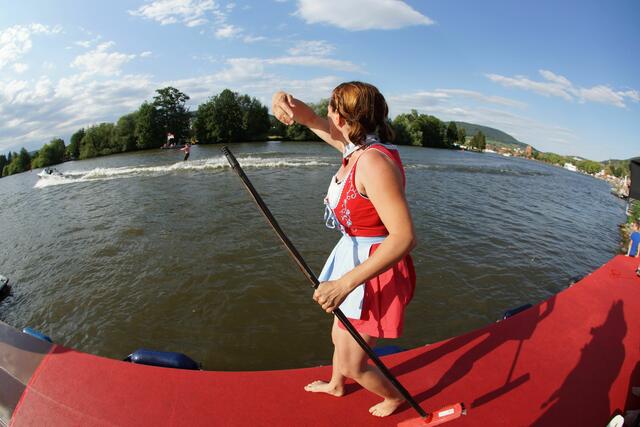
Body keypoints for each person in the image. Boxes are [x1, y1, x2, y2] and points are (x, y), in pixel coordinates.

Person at [272, 82, 416, 417]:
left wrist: (343, 284)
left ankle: (394, 397)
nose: (325, 114)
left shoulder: (373, 163)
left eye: (331, 108)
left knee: (354, 363)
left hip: (373, 269)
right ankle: (336, 385)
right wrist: (282, 99)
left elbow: (405, 237)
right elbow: (310, 119)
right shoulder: (354, 148)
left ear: (342, 118)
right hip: (352, 254)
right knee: (339, 335)